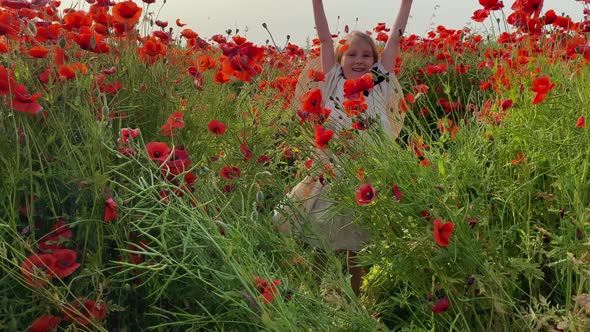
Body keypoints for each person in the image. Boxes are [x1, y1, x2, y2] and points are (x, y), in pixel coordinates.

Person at [274, 0, 413, 296]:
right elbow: (325, 37)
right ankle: (311, 296)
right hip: (332, 173)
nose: (359, 59)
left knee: (356, 245)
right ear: (340, 58)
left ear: (375, 61)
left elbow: (395, 38)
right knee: (321, 239)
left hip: (367, 173)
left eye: (367, 54)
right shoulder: (333, 78)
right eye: (352, 54)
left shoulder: (378, 80)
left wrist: (406, 3)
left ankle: (354, 301)